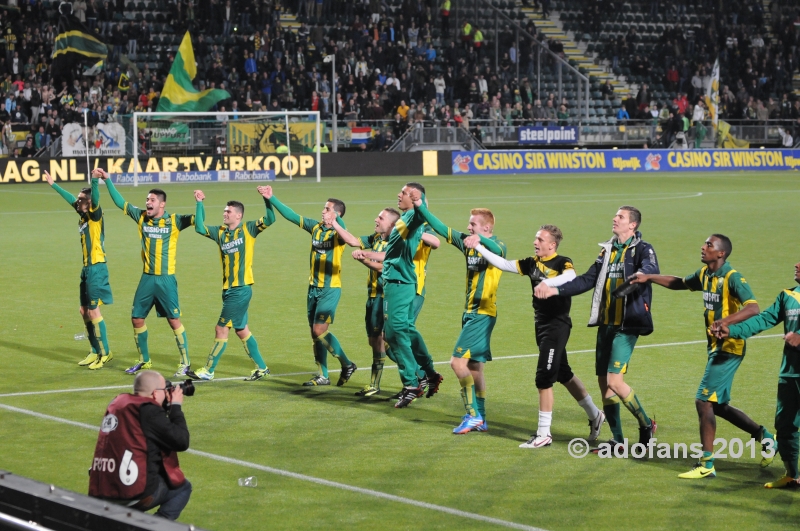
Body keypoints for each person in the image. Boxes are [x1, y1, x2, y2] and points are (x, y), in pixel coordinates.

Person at [631, 234, 776, 479]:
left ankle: (707, 464)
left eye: (709, 245)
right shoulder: (705, 274)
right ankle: (765, 437)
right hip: (715, 347)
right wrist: (649, 278)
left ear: (721, 253)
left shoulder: (732, 277)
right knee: (717, 405)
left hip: (729, 346)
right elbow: (679, 283)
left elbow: (753, 308)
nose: (703, 246)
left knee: (703, 401)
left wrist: (725, 321)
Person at [472, 225, 605, 448]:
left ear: (552, 245)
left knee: (544, 378)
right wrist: (478, 246)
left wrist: (547, 283)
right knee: (563, 373)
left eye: (540, 239)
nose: (536, 242)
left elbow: (570, 276)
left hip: (557, 326)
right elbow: (504, 264)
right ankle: (595, 414)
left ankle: (543, 433)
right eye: (536, 238)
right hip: (541, 325)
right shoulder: (531, 263)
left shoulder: (562, 261)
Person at [536, 206, 658, 449]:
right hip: (606, 324)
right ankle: (617, 439)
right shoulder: (607, 251)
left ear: (632, 225)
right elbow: (587, 280)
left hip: (628, 325)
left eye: (620, 217)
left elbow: (651, 270)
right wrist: (555, 290)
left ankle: (646, 424)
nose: (614, 218)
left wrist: (641, 275)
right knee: (604, 384)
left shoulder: (643, 249)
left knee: (615, 382)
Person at [415, 202, 506, 433]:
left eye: (473, 224)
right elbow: (442, 228)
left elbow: (496, 249)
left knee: (457, 363)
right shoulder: (468, 243)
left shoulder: (497, 245)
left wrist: (480, 241)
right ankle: (481, 417)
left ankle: (472, 414)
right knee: (475, 367)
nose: (468, 227)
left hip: (482, 314)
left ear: (486, 228)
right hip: (469, 313)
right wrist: (420, 207)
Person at [96, 168, 194, 378]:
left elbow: (198, 222)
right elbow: (120, 202)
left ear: (162, 204)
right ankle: (144, 359)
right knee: (136, 318)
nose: (148, 202)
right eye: (147, 199)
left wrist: (200, 203)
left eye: (152, 200)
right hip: (147, 278)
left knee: (173, 320)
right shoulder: (141, 217)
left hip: (166, 280)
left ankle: (185, 362)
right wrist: (107, 180)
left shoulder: (174, 221)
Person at [715, 261, 800, 488]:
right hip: (790, 373)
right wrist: (732, 330)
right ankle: (793, 474)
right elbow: (764, 319)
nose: (796, 264)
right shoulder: (788, 295)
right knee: (785, 425)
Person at [261, 186, 357, 387]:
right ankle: (323, 375)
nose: (322, 211)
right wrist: (271, 198)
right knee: (314, 334)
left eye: (327, 208)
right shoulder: (316, 227)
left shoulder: (338, 232)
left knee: (319, 330)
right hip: (313, 288)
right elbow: (293, 216)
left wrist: (337, 223)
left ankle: (347, 364)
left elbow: (352, 241)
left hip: (330, 289)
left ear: (336, 213)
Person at [187, 188, 275, 381]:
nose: (224, 213)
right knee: (241, 329)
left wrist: (267, 199)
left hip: (241, 289)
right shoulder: (220, 233)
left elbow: (270, 219)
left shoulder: (248, 229)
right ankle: (262, 367)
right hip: (228, 289)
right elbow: (200, 228)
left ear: (239, 215)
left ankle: (209, 370)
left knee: (221, 328)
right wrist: (200, 203)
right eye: (224, 211)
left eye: (228, 211)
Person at [89, 370, 191, 520]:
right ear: (156, 393)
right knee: (182, 488)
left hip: (100, 489)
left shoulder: (117, 403)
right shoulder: (149, 411)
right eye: (164, 390)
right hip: (130, 492)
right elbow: (181, 441)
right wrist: (175, 406)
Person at [327, 207, 403, 396]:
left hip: (386, 298)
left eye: (381, 218)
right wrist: (335, 222)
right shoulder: (376, 238)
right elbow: (353, 241)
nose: (376, 219)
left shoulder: (396, 242)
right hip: (372, 296)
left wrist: (364, 258)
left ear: (392, 224)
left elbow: (383, 267)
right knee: (375, 341)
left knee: (382, 341)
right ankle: (417, 376)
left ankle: (379, 384)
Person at [44, 170, 113, 370]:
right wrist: (53, 184)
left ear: (90, 202)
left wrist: (94, 180)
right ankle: (94, 350)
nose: (78, 200)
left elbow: (96, 197)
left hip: (97, 267)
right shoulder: (83, 215)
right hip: (87, 269)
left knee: (93, 310)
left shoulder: (95, 215)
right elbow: (70, 200)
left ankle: (106, 352)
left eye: (82, 198)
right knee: (83, 310)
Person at [382, 183, 444, 408]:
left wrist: (419, 204)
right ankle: (427, 373)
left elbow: (432, 236)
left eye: (404, 193)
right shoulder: (404, 218)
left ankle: (412, 383)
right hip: (394, 282)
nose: (399, 195)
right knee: (398, 331)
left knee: (397, 332)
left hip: (403, 283)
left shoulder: (413, 218)